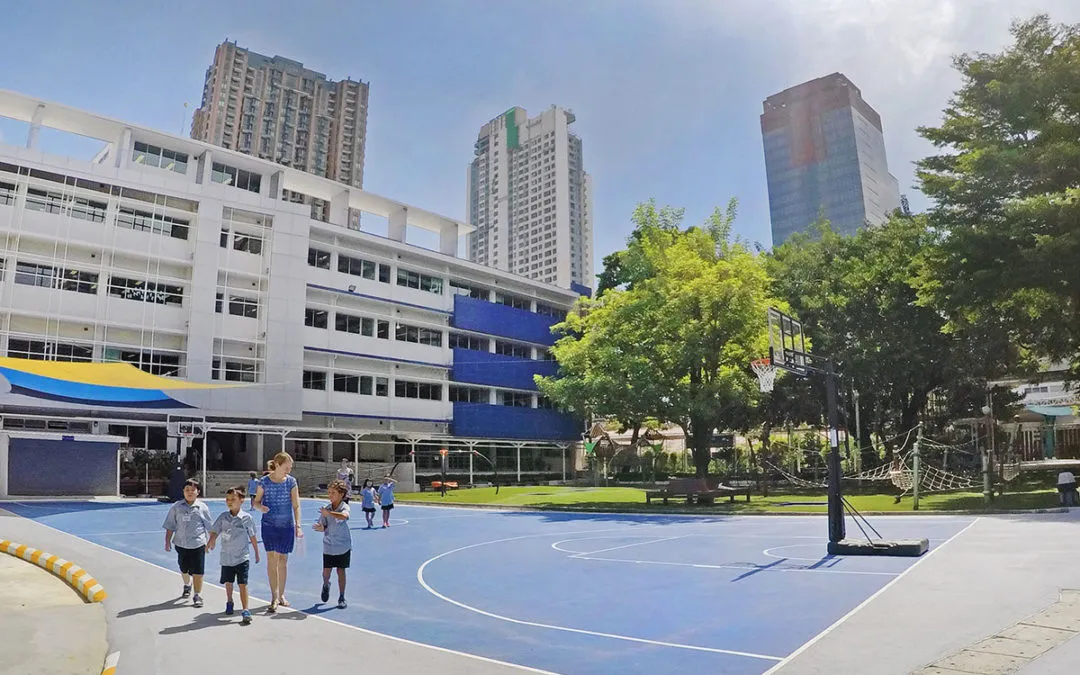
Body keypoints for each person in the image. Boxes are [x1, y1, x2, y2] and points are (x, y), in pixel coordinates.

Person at [253, 451, 303, 613]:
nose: (289, 470)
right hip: (269, 525)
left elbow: (296, 505)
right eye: (286, 467)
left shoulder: (291, 482)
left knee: (282, 560)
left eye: (290, 467)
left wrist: (298, 525)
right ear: (277, 465)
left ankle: (281, 594)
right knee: (272, 559)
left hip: (286, 525)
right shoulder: (264, 482)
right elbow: (256, 502)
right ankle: (273, 596)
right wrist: (261, 507)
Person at [207, 487, 260, 624]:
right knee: (228, 582)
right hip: (227, 557)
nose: (229, 502)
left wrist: (256, 552)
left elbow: (252, 536)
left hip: (242, 557)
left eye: (233, 499)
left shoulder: (247, 518)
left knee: (243, 583)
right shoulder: (223, 517)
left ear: (241, 501)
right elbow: (215, 530)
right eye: (228, 499)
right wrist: (211, 541)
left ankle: (245, 610)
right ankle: (229, 601)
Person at [162, 479, 213, 608]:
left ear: (198, 492)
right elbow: (170, 525)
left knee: (198, 571)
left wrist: (211, 541)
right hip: (181, 544)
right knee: (183, 568)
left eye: (192, 490)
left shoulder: (202, 507)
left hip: (198, 544)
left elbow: (209, 526)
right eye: (187, 490)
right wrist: (167, 541)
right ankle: (187, 584)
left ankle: (197, 595)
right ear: (183, 492)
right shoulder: (176, 507)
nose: (190, 492)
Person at [313, 479, 352, 608]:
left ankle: (342, 596)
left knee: (341, 571)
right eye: (329, 493)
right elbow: (323, 524)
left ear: (341, 494)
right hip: (329, 545)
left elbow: (344, 516)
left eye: (333, 493)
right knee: (326, 572)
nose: (330, 495)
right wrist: (320, 528)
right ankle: (326, 584)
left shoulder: (344, 506)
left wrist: (329, 513)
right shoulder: (326, 508)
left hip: (342, 545)